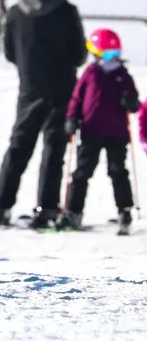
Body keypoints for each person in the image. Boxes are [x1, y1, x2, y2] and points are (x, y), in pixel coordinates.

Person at [0, 0, 86, 229]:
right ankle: (47, 208)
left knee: (18, 148)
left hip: (29, 89)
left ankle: (2, 206)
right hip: (61, 88)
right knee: (53, 151)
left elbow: (9, 51)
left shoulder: (15, 11)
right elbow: (79, 54)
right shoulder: (66, 11)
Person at [59, 29, 139, 234]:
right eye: (108, 54)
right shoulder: (91, 73)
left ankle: (125, 211)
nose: (112, 60)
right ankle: (73, 212)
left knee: (118, 172)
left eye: (115, 54)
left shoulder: (122, 75)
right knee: (82, 173)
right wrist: (71, 117)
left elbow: (134, 101)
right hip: (90, 131)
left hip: (116, 133)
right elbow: (77, 97)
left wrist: (130, 102)